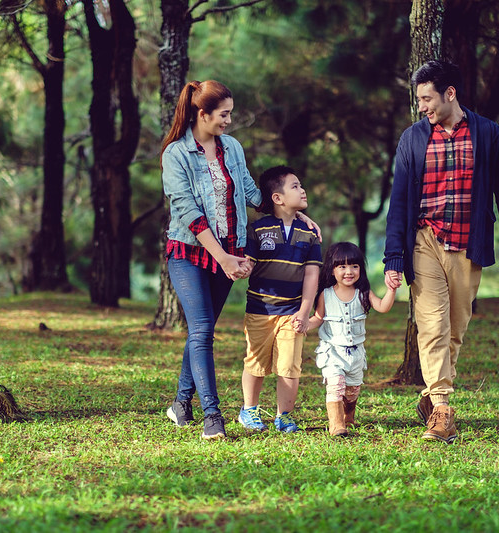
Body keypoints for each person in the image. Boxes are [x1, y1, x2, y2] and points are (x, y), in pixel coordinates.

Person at [161, 80, 320, 440]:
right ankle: (212, 417)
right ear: (202, 114)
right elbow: (188, 211)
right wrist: (225, 259)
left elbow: (251, 192)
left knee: (201, 332)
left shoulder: (231, 148)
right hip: (189, 253)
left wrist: (293, 213)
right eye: (224, 114)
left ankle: (181, 403)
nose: (229, 121)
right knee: (202, 331)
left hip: (226, 255)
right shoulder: (175, 154)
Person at [383, 60, 499, 444]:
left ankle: (431, 394)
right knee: (431, 324)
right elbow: (399, 201)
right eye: (418, 99)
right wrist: (394, 255)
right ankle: (443, 409)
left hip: (468, 244)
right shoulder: (412, 138)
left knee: (455, 328)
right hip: (424, 240)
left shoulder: (489, 134)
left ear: (450, 93)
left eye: (427, 98)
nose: (422, 106)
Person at [238, 166, 321, 434]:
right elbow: (249, 262)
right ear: (278, 198)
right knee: (256, 362)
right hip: (259, 309)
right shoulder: (258, 229)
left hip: (293, 311)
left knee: (289, 366)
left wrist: (304, 311)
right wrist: (243, 267)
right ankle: (249, 410)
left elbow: (311, 273)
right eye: (295, 186)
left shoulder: (310, 233)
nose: (302, 189)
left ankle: (284, 416)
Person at [307, 242, 395, 437]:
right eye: (342, 266)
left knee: (352, 390)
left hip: (356, 353)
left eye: (354, 266)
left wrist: (391, 290)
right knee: (335, 385)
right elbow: (318, 317)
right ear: (332, 270)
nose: (349, 271)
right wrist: (304, 324)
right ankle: (336, 424)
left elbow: (383, 307)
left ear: (360, 270)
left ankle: (349, 417)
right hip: (333, 352)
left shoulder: (363, 293)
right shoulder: (326, 294)